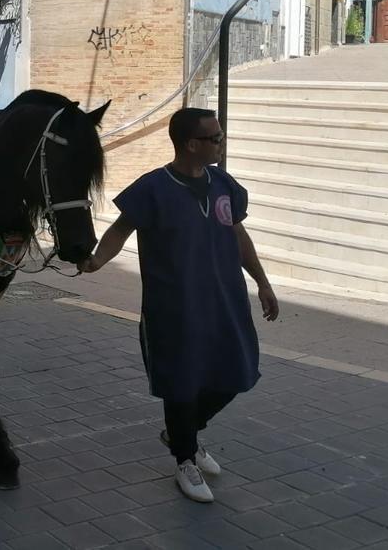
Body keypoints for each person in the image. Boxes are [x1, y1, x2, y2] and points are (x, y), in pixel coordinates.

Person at [80, 107, 280, 504]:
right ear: (191, 144)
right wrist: (96, 260)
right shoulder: (153, 188)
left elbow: (238, 235)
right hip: (173, 307)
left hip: (225, 301)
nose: (222, 143)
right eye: (215, 138)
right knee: (182, 382)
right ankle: (185, 458)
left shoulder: (223, 184)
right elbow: (120, 230)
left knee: (238, 371)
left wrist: (262, 281)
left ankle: (182, 432)